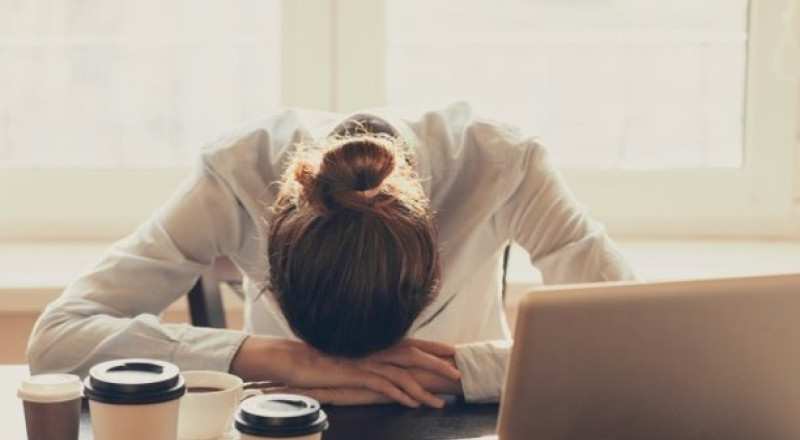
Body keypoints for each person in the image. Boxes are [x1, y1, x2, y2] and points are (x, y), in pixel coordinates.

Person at [27, 101, 636, 406]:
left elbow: (637, 338)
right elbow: (58, 339)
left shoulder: (503, 163)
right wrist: (277, 358)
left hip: (459, 428)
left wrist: (457, 370)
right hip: (288, 418)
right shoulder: (238, 172)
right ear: (275, 252)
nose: (365, 371)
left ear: (431, 259)